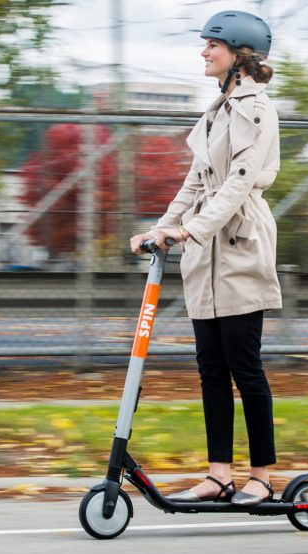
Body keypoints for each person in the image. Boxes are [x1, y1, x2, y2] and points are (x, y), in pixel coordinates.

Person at [129, 10, 281, 507]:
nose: (203, 52)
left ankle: (260, 475)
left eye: (212, 45)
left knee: (245, 366)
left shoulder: (256, 109)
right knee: (210, 369)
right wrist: (160, 229)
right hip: (206, 247)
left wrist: (187, 230)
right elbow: (196, 182)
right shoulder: (215, 110)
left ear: (238, 53)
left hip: (238, 241)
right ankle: (219, 474)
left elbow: (238, 184)